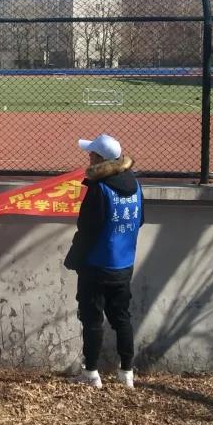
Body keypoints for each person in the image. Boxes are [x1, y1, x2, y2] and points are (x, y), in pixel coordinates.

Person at [63, 134, 144, 389]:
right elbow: (140, 220)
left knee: (92, 319)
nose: (88, 157)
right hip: (124, 265)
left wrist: (74, 259)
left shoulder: (100, 189)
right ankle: (127, 372)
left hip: (96, 266)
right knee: (122, 318)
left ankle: (91, 373)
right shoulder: (135, 186)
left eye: (92, 154)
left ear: (100, 159)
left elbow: (87, 230)